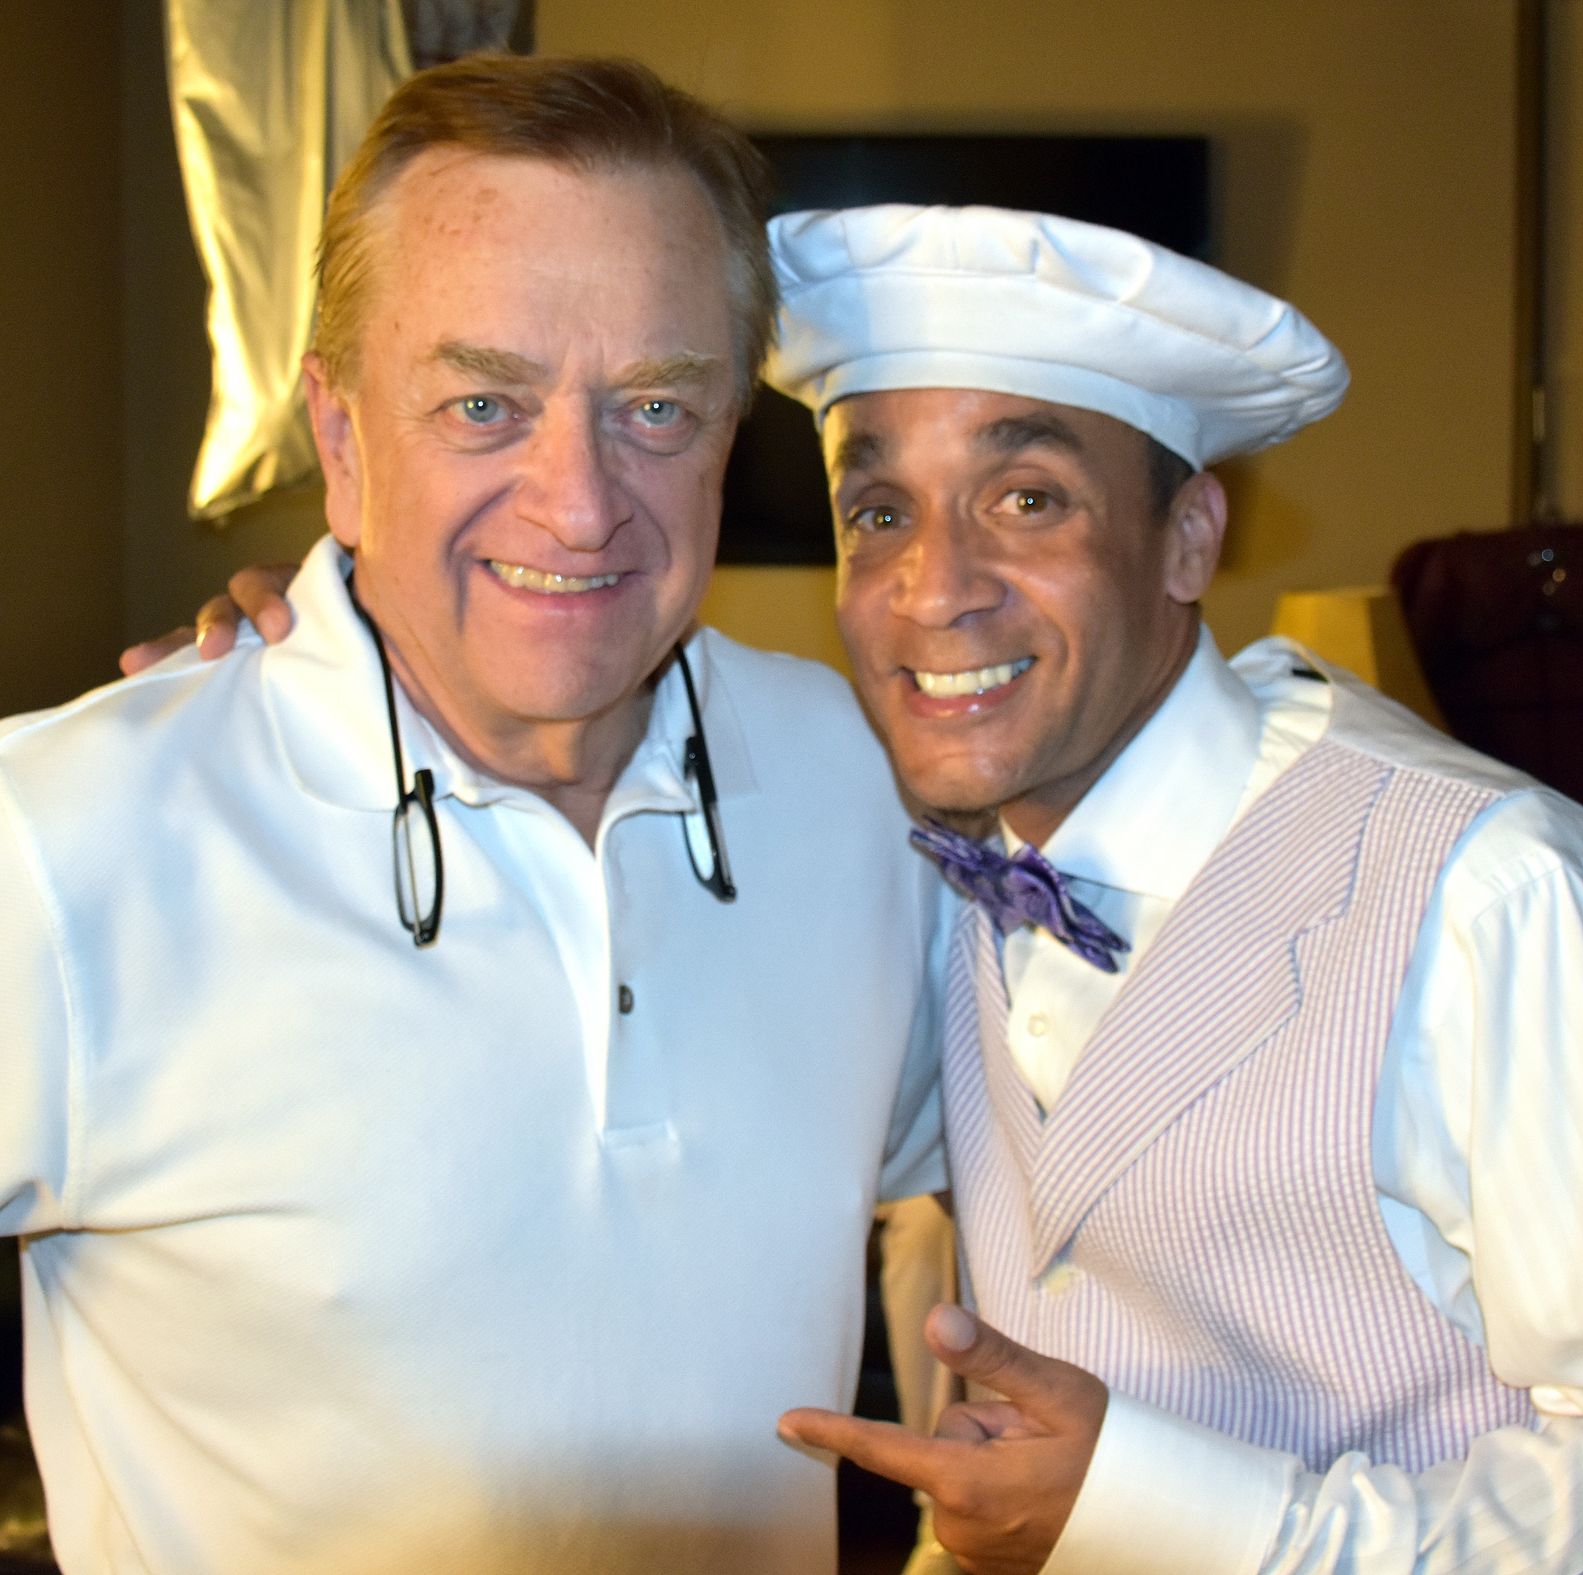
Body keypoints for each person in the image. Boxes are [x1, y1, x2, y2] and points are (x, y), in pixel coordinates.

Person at [0, 60, 947, 1574]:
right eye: (484, 405)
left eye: (655, 407)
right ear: (343, 438)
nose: (579, 502)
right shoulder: (62, 839)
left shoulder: (859, 779)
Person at [759, 205, 1583, 1574]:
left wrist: (1172, 1520)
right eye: (880, 512)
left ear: (1189, 539)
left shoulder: (1488, 894)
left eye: (1028, 499)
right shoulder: (942, 873)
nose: (934, 589)